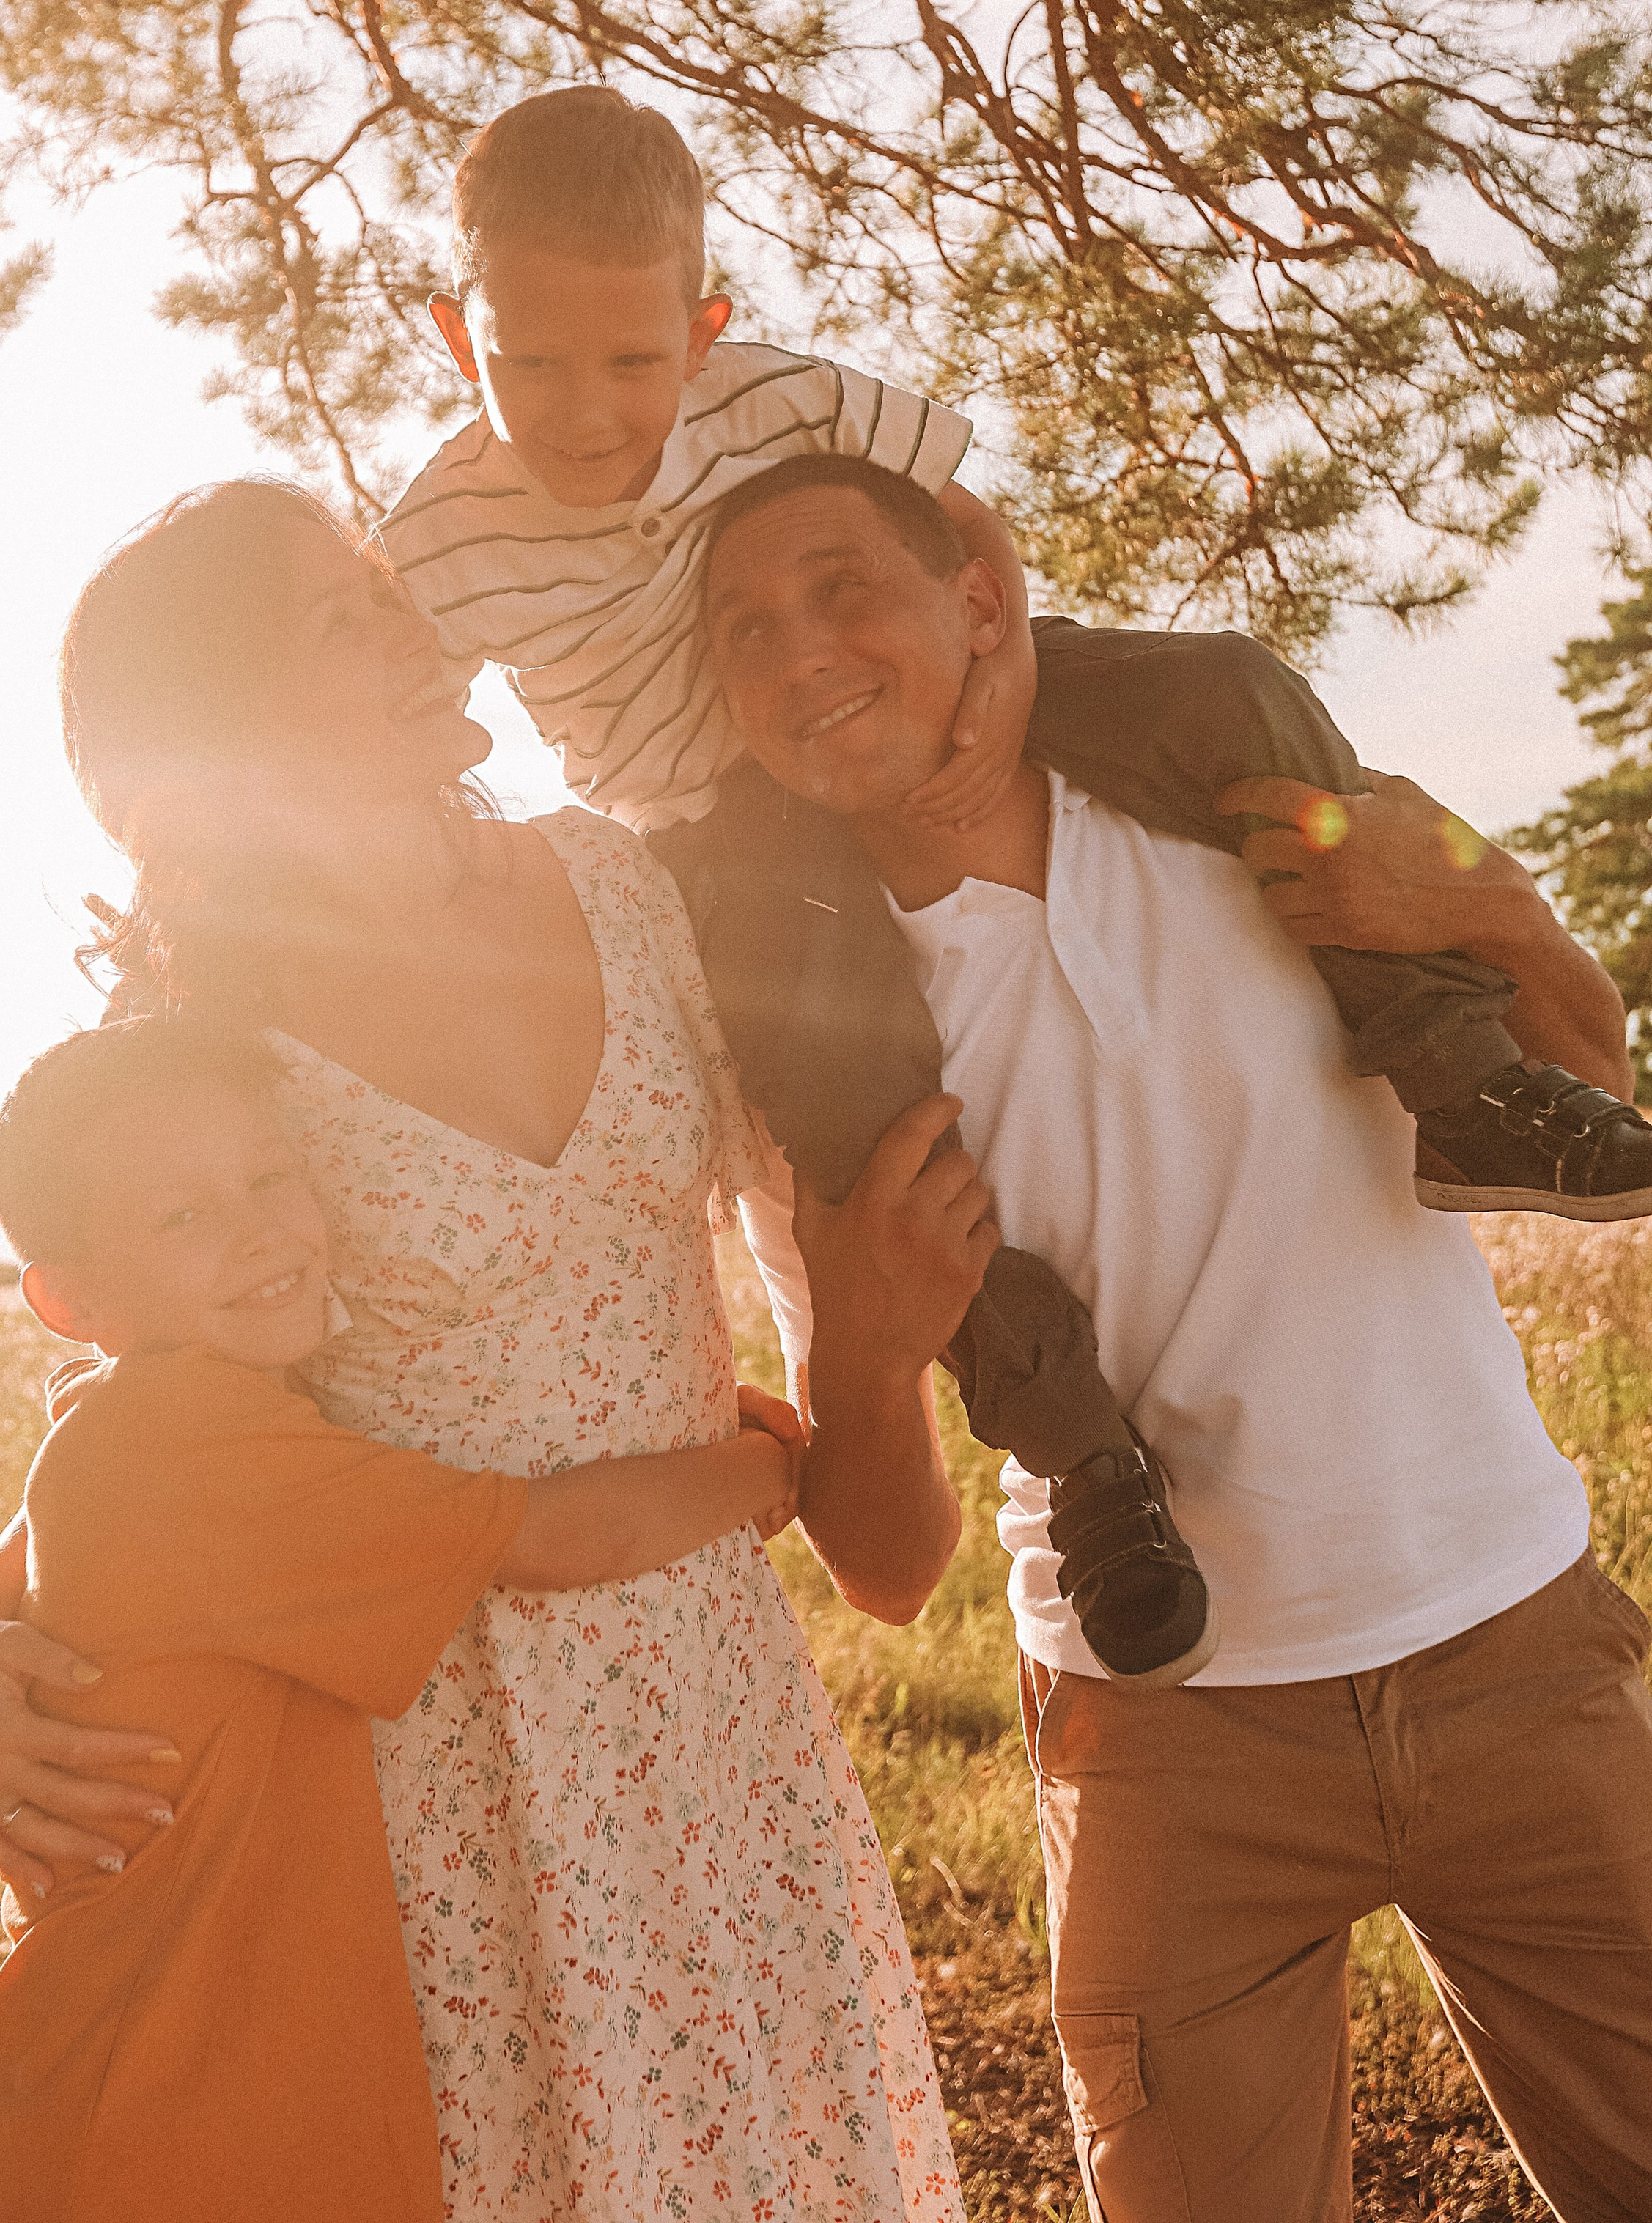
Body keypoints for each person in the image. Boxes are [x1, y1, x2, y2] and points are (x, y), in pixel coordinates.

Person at [378, 84, 1652, 1688]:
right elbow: (385, 724)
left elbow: (956, 519)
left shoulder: (776, 403)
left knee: (1228, 687)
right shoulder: (435, 534)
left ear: (702, 331)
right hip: (721, 837)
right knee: (862, 1129)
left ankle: (1462, 1085)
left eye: (631, 361)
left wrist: (1005, 676)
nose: (582, 409)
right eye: (529, 364)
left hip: (999, 686)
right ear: (451, 333)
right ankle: (1076, 1445)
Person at [0, 477, 981, 2223]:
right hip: (416, 1763)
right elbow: (141, 1419)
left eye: (393, 588)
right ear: (228, 729)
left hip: (709, 1723)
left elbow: (839, 1331)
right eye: (348, 618)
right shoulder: (199, 1032)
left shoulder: (627, 888)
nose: (422, 629)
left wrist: (856, 1388)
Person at [701, 452, 1652, 2223]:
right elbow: (889, 1574)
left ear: (976, 599)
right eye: (744, 629)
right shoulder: (812, 1055)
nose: (799, 650)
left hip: (1511, 1643)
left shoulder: (1252, 796)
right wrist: (864, 1353)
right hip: (1163, 1725)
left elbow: (1587, 1069)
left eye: (842, 587)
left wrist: (1465, 888)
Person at [0, 1016, 797, 2223]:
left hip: (212, 2075)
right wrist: (777, 1461)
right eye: (183, 1216)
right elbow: (562, 1539)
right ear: (66, 1299)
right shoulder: (181, 1445)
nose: (259, 1229)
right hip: (153, 2106)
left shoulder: (146, 1421)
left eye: (270, 1177)